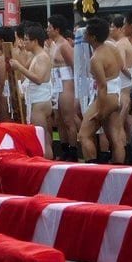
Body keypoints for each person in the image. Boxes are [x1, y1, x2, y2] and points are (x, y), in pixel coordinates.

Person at [78, 18, 127, 164]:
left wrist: (100, 110)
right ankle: (120, 170)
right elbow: (122, 66)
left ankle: (92, 169)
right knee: (115, 137)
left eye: (86, 31)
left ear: (92, 37)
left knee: (84, 135)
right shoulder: (112, 46)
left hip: (107, 96)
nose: (83, 34)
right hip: (117, 93)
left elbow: (102, 86)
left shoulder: (96, 58)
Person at [11, 24, 54, 158]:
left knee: (41, 138)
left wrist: (19, 67)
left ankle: (46, 166)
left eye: (27, 40)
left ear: (35, 41)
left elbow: (38, 79)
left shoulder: (42, 56)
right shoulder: (36, 55)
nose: (24, 42)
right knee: (44, 137)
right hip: (38, 100)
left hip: (40, 103)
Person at [47, 15, 80, 160]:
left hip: (67, 84)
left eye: (49, 27)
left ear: (56, 29)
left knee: (68, 119)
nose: (47, 30)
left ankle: (73, 150)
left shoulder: (64, 45)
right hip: (56, 84)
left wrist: (76, 88)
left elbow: (74, 66)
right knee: (59, 119)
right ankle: (64, 148)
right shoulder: (54, 45)